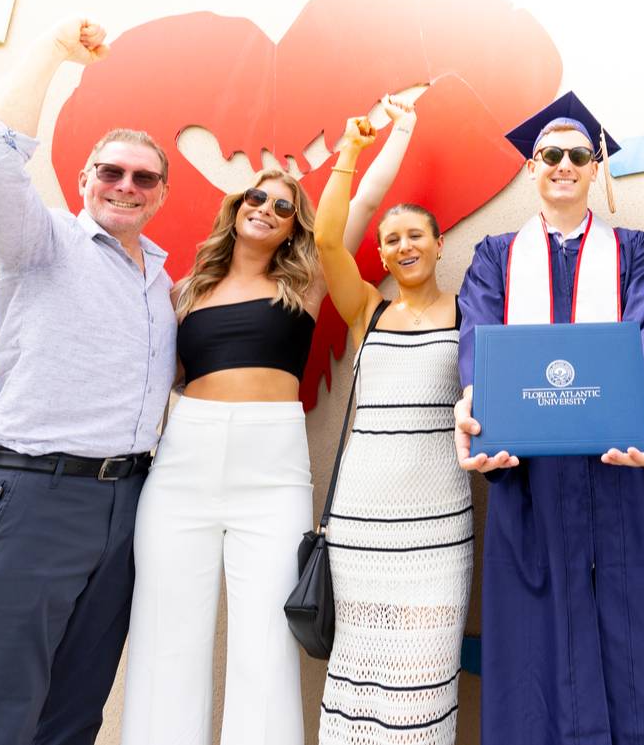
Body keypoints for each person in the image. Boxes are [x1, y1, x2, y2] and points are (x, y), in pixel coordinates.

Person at [119, 90, 421, 745]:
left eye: (284, 206)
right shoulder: (186, 290)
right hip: (184, 460)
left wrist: (384, 137)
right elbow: (151, 376)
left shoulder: (304, 284)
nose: (266, 208)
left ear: (293, 228)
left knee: (266, 644)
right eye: (257, 197)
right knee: (166, 634)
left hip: (272, 468)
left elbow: (362, 204)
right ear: (237, 208)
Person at [452, 92, 644, 745]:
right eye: (551, 155)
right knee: (537, 642)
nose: (564, 165)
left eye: (578, 155)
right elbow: (479, 338)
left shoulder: (634, 252)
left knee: (643, 638)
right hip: (531, 474)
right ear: (532, 167)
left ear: (595, 168)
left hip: (621, 468)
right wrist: (477, 404)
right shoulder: (496, 256)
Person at [0, 18, 175, 745]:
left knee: (71, 720)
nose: (126, 186)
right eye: (111, 171)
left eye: (143, 177)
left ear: (161, 194)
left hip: (124, 507)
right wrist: (52, 50)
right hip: (33, 498)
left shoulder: (161, 279)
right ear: (84, 180)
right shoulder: (42, 241)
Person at [312, 96, 473, 743]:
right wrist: (350, 151)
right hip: (363, 517)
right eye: (391, 238)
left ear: (439, 244)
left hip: (439, 520)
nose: (404, 245)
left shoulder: (472, 313)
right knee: (361, 670)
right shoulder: (366, 310)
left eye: (415, 235)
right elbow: (327, 238)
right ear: (379, 254)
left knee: (424, 675)